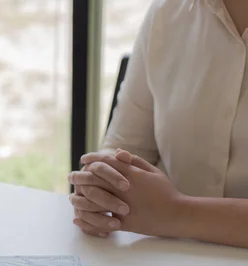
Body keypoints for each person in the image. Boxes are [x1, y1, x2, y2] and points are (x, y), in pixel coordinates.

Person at [68, 0, 248, 248]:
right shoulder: (167, 11)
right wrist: (102, 186)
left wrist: (177, 213)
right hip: (166, 265)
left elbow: (169, 212)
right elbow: (125, 146)